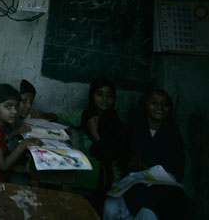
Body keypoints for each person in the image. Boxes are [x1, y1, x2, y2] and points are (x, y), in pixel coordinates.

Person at [103, 89, 192, 220]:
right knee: (110, 207)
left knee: (148, 213)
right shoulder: (132, 130)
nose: (160, 108)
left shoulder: (174, 137)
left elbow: (177, 170)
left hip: (160, 193)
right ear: (145, 104)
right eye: (154, 103)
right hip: (132, 188)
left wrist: (154, 171)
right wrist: (131, 162)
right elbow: (121, 157)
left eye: (165, 104)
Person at [82, 79, 130, 212]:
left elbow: (108, 158)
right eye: (99, 94)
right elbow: (65, 117)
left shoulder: (119, 127)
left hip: (110, 178)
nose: (105, 99)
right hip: (93, 171)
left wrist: (95, 134)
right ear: (92, 95)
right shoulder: (86, 116)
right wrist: (48, 115)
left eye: (109, 95)